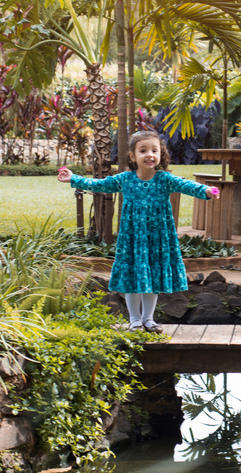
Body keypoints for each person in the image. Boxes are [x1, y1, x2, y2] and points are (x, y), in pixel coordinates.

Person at [58, 130, 220, 333]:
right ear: (133, 156)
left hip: (158, 237)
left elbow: (187, 185)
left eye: (154, 150)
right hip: (132, 237)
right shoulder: (125, 179)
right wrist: (73, 178)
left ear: (160, 154)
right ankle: (134, 320)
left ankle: (148, 319)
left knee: (153, 275)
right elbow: (100, 184)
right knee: (132, 275)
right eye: (143, 151)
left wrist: (206, 191)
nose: (149, 155)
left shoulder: (165, 179)